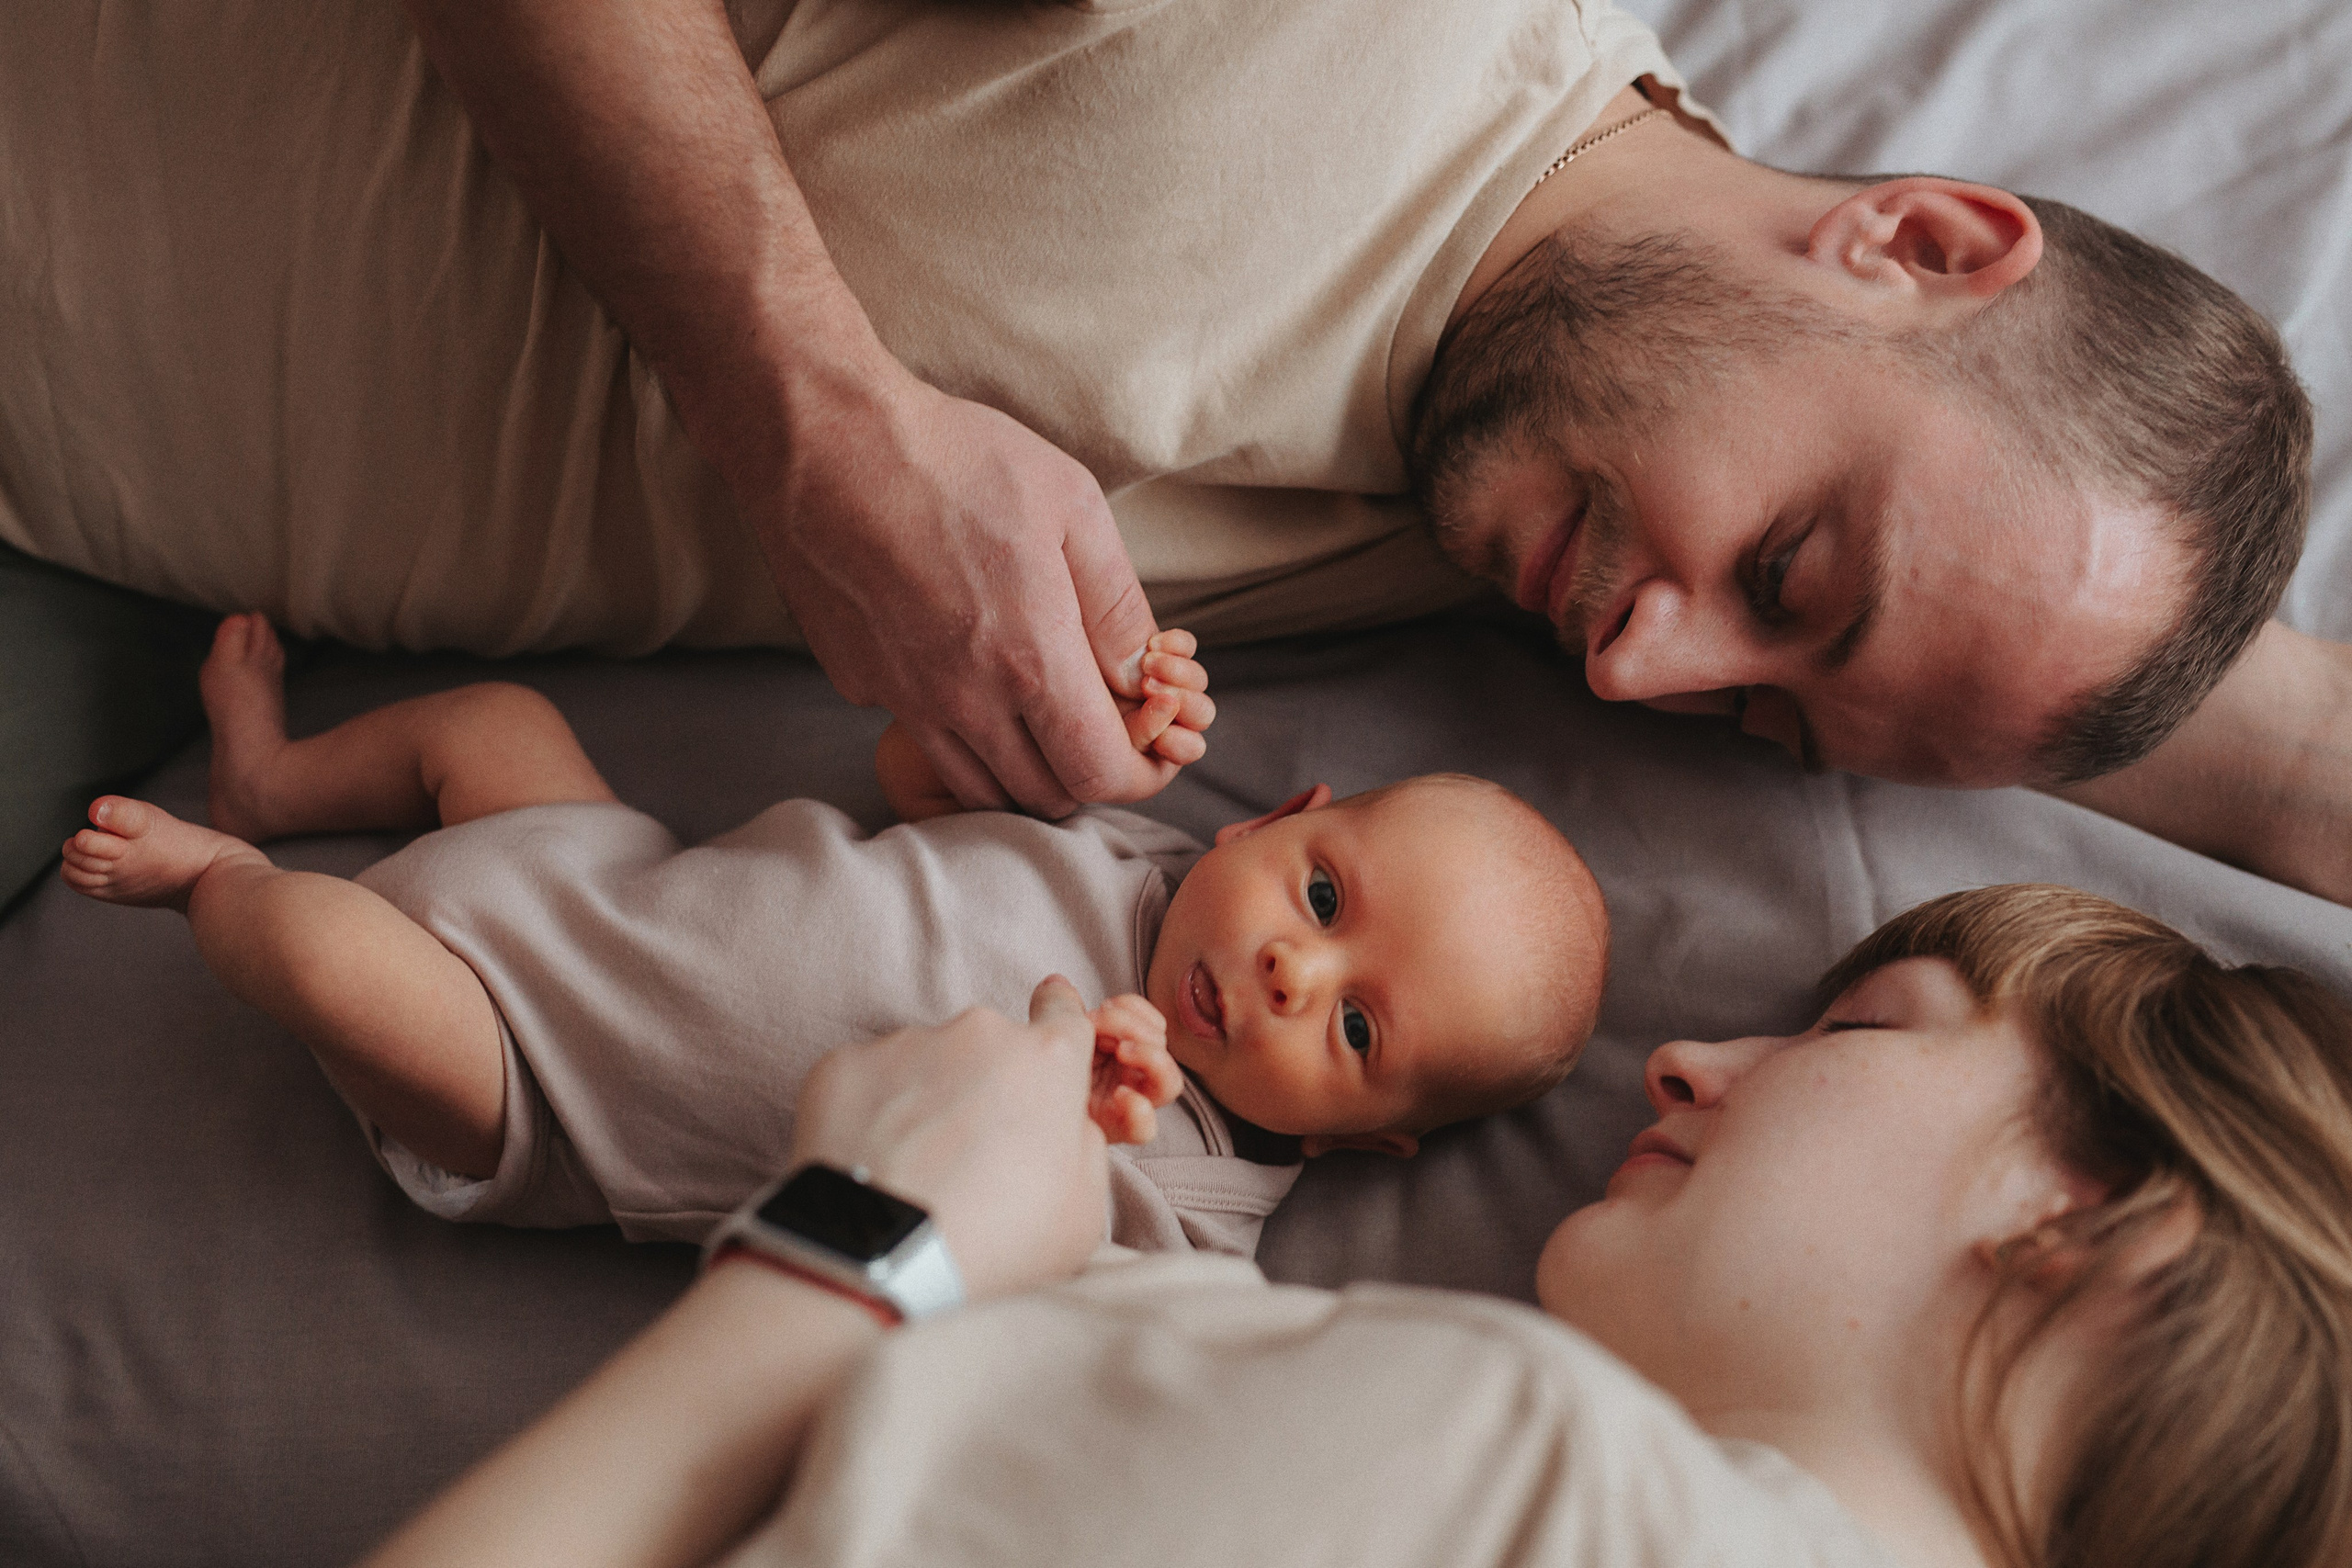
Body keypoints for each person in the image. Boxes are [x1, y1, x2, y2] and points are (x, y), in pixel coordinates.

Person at [3, 1, 2343, 898]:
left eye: (1762, 706)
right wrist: (810, 420)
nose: (1646, 671)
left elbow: (2276, 773)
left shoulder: (1499, 528)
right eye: (1788, 574)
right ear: (1917, 239)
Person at [354, 883, 2352, 1568]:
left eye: (1856, 1026)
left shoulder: (1529, 1463)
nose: (1687, 1061)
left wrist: (863, 1244)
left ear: (2103, 1230)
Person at [59, 614, 1607, 1256]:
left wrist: (1087, 1137)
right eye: (1325, 899)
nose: (1290, 964)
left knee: (323, 954)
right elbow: (914, 786)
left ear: (1371, 1143)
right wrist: (1093, 734)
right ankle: (276, 775)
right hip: (606, 869)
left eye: (1353, 1029)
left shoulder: (1194, 1197)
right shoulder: (1140, 848)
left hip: (540, 1088)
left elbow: (1022, 1297)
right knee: (493, 720)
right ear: (1285, 817)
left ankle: (221, 873)